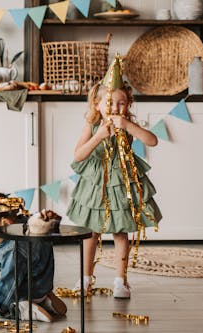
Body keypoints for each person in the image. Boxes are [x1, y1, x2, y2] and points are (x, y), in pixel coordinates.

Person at [66, 54, 162, 299]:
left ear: (128, 105)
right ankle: (86, 278)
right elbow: (78, 155)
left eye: (121, 104)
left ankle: (121, 281)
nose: (115, 109)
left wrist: (128, 126)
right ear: (97, 105)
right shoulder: (91, 124)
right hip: (96, 184)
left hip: (121, 184)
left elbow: (153, 140)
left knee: (121, 232)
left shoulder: (128, 123)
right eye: (109, 103)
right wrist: (98, 136)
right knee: (91, 232)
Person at [0, 214, 67, 322]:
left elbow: (8, 284)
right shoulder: (30, 226)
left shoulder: (13, 249)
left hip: (25, 291)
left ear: (5, 224)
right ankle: (44, 300)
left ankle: (21, 309)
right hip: (42, 287)